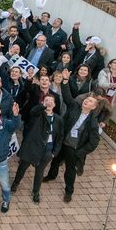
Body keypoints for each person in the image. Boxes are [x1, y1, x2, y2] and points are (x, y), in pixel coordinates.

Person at [43, 70, 100, 202]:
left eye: (90, 101)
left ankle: (69, 191)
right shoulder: (75, 107)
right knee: (55, 161)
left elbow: (94, 142)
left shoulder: (93, 122)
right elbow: (68, 97)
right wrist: (65, 81)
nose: (86, 101)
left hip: (75, 149)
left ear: (94, 107)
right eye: (86, 99)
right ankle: (51, 176)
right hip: (64, 141)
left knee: (70, 171)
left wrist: (81, 152)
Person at [11, 95, 63, 204]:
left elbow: (59, 137)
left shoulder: (58, 119)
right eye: (46, 100)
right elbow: (33, 112)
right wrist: (42, 106)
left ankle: (36, 192)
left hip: (47, 150)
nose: (49, 103)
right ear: (43, 102)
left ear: (55, 104)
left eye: (51, 101)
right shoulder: (38, 114)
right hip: (32, 147)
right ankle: (15, 183)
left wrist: (54, 153)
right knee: (22, 167)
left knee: (39, 172)